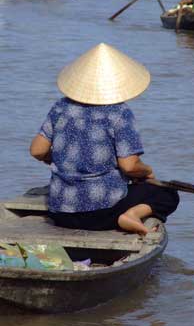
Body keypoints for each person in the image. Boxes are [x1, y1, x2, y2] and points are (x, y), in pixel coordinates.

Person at [30, 43, 179, 235]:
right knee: (167, 195)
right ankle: (131, 215)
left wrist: (62, 160)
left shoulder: (61, 107)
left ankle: (127, 214)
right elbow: (129, 166)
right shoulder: (119, 112)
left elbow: (37, 150)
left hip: (61, 212)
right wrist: (147, 172)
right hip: (103, 214)